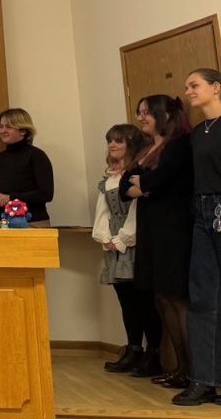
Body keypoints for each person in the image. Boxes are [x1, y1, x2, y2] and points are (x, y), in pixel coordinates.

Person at [122, 94, 193, 389]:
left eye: (146, 113)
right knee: (161, 298)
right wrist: (142, 184)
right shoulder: (146, 149)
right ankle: (179, 369)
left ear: (165, 115)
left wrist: (144, 184)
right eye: (139, 112)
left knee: (176, 298)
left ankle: (192, 371)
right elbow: (124, 187)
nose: (141, 118)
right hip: (151, 232)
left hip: (174, 231)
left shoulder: (180, 145)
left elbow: (157, 181)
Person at [93, 123, 161, 373]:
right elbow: (103, 212)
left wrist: (123, 239)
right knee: (127, 303)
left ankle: (154, 353)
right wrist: (105, 237)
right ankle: (134, 349)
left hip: (132, 242)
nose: (112, 145)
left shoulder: (136, 174)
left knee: (144, 301)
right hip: (113, 244)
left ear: (131, 144)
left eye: (118, 141)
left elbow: (136, 212)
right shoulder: (108, 178)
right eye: (110, 140)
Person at [174, 68, 221, 405]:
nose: (189, 91)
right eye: (187, 86)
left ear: (216, 88)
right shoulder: (199, 132)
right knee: (203, 296)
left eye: (195, 85)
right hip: (203, 212)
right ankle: (204, 379)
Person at [0, 108, 54, 226]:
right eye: (1, 126)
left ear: (23, 131)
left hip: (32, 223)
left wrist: (9, 198)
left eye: (9, 127)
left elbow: (45, 194)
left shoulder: (36, 155)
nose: (3, 131)